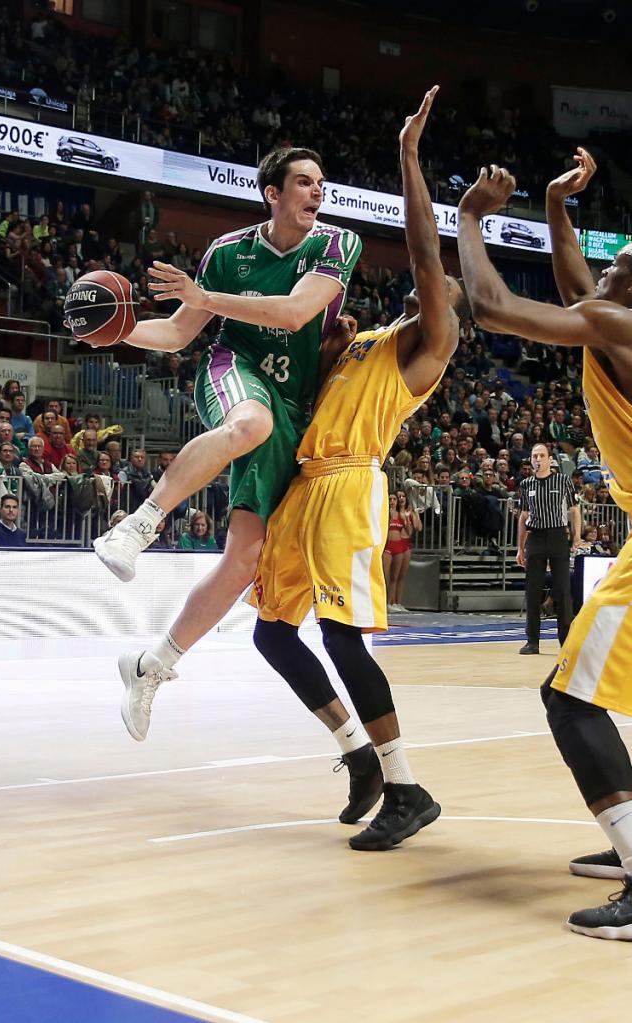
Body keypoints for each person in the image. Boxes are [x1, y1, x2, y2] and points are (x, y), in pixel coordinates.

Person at [248, 87, 462, 851]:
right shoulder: (366, 337)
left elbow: (423, 253)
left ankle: (406, 786)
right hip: (304, 485)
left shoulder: (424, 346)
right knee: (271, 634)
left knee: (342, 639)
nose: (427, 288)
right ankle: (359, 757)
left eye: (439, 291)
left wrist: (407, 155)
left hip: (348, 485)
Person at [92, 146, 361, 735]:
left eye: (321, 183)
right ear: (273, 193)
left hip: (298, 402)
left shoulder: (336, 244)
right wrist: (119, 331)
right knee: (249, 425)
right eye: (303, 183)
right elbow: (179, 331)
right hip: (235, 366)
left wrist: (203, 298)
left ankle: (152, 665)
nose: (317, 193)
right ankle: (138, 523)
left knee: (245, 559)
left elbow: (294, 315)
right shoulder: (226, 251)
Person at [458, 147, 632, 937]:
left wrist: (467, 219)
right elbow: (576, 286)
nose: (605, 264)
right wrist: (557, 209)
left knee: (567, 697)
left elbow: (492, 307)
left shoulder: (615, 321)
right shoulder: (610, 319)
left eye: (619, 261)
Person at [515, 442, 580, 654]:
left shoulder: (562, 481)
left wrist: (577, 536)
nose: (538, 459)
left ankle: (566, 641)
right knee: (533, 590)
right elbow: (524, 517)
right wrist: (520, 548)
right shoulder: (526, 484)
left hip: (557, 535)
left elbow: (574, 510)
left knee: (562, 589)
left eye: (542, 455)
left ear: (549, 459)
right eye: (534, 456)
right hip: (536, 537)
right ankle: (532, 641)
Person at [383, 491, 418, 612]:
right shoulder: (383, 514)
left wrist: (408, 519)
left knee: (396, 576)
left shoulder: (400, 515)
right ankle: (385, 602)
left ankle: (394, 602)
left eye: (394, 499)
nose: (392, 501)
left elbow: (409, 532)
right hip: (387, 546)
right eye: (390, 499)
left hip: (399, 546)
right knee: (385, 576)